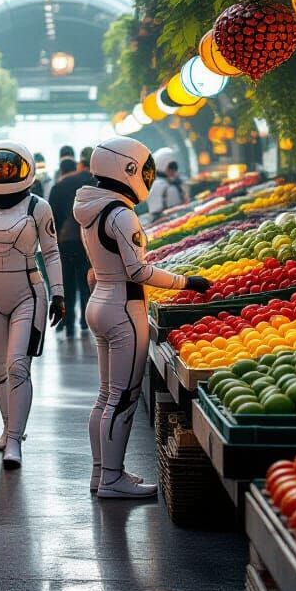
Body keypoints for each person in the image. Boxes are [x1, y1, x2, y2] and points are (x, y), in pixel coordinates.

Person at [73, 137, 210, 498]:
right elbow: (137, 270)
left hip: (100, 301)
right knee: (123, 397)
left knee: (105, 396)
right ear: (129, 169)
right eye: (142, 170)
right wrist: (186, 282)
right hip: (124, 307)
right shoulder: (121, 213)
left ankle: (102, 473)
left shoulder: (91, 209)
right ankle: (113, 479)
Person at [0, 141, 65, 470]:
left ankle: (15, 439)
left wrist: (58, 292)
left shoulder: (38, 207)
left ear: (25, 168)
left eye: (9, 167)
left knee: (18, 365)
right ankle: (8, 427)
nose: (3, 173)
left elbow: (51, 252)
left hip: (28, 291)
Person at [49, 151, 97, 336]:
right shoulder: (89, 181)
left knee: (67, 282)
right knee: (85, 280)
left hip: (65, 241)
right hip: (86, 240)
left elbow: (52, 219)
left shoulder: (58, 186)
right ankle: (85, 321)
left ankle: (68, 323)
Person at [146, 147, 177, 221]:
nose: (174, 171)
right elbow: (155, 214)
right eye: (170, 167)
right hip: (168, 222)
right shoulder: (157, 186)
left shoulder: (173, 181)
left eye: (174, 167)